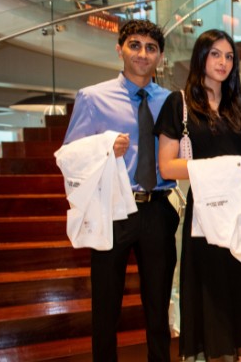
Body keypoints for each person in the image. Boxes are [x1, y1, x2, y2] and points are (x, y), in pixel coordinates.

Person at [154, 29, 241, 361]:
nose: (223, 62)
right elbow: (166, 167)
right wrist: (228, 165)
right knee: (214, 299)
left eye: (229, 56)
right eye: (215, 54)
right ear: (201, 57)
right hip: (207, 213)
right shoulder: (178, 103)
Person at [63, 19, 178, 361]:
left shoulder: (171, 101)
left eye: (151, 48)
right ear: (120, 49)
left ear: (160, 56)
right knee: (106, 305)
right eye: (135, 45)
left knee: (158, 306)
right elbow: (70, 156)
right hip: (111, 207)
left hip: (157, 207)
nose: (143, 54)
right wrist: (103, 148)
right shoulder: (93, 97)